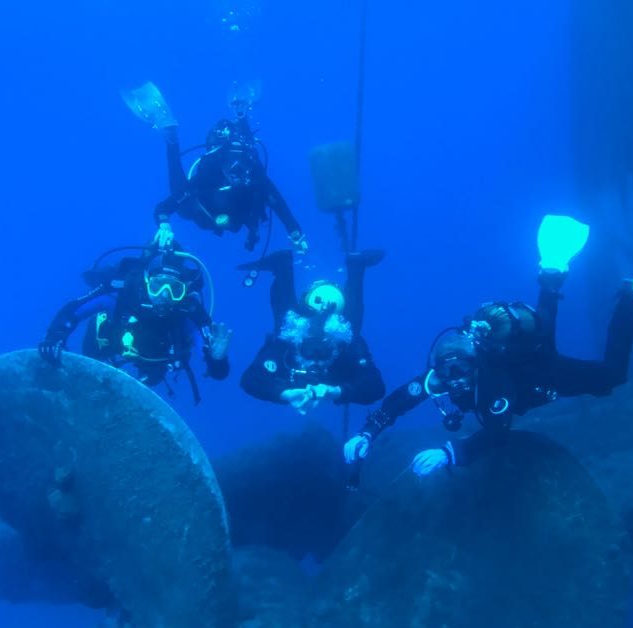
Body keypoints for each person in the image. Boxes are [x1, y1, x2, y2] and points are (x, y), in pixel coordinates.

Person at [343, 216, 633, 476]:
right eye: (446, 375)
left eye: (458, 374)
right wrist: (367, 432)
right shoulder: (444, 375)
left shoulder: (494, 384)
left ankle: (631, 297)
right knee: (543, 333)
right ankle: (552, 273)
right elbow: (401, 400)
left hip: (539, 376)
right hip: (531, 356)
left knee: (609, 377)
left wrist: (450, 453)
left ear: (473, 363)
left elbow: (497, 433)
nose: (451, 384)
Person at [124, 82, 307, 254]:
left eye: (243, 165)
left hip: (231, 216)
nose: (238, 172)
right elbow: (164, 207)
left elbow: (279, 203)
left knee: (248, 156)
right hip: (204, 213)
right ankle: (171, 138)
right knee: (184, 207)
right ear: (221, 164)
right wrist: (164, 225)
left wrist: (295, 232)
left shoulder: (255, 175)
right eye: (232, 166)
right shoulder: (208, 176)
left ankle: (241, 115)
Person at [38, 246, 231, 403]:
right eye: (158, 285)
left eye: (175, 289)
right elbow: (74, 310)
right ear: (146, 281)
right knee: (92, 353)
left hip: (154, 360)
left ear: (184, 292)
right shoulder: (123, 292)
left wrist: (217, 359)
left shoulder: (189, 311)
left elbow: (218, 373)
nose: (164, 295)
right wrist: (55, 337)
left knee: (152, 376)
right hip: (108, 342)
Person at [239, 248, 386, 412]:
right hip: (298, 327)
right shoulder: (289, 339)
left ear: (335, 346)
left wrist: (334, 391)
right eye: (309, 350)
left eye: (324, 351)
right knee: (287, 322)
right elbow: (250, 380)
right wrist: (285, 394)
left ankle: (284, 266)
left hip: (338, 336)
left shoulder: (345, 342)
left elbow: (375, 387)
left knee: (350, 328)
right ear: (299, 343)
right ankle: (284, 266)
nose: (316, 360)